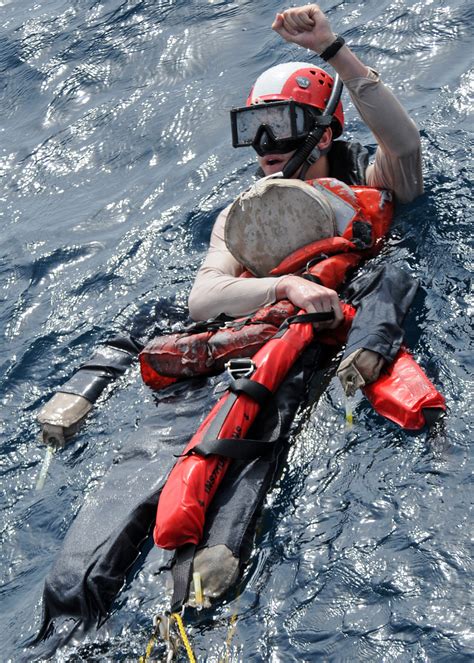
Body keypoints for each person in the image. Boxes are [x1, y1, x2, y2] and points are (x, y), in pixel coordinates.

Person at [188, 4, 423, 326]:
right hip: (267, 322)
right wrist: (286, 286)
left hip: (364, 309)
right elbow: (201, 300)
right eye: (252, 127)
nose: (265, 141)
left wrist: (331, 48)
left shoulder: (376, 180)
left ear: (323, 137)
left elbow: (405, 144)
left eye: (280, 125)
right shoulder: (241, 215)